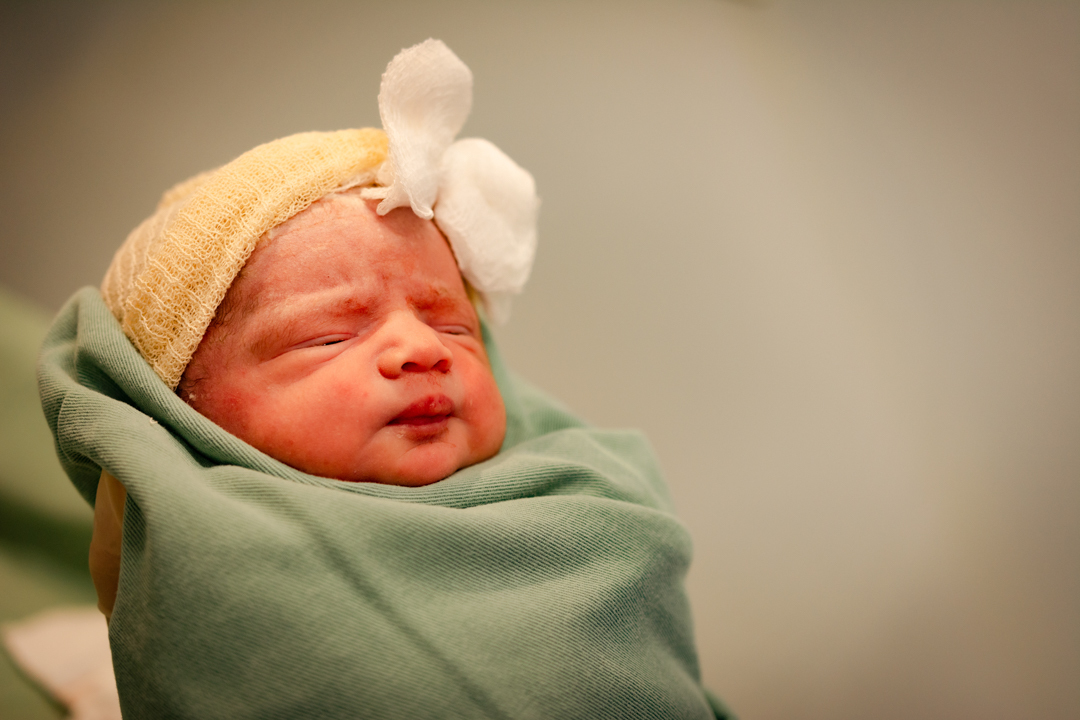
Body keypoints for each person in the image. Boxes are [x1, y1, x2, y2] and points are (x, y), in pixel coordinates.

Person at [40, 40, 732, 719]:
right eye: (330, 336)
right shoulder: (213, 567)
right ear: (182, 410)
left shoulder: (587, 497)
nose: (421, 349)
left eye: (455, 326)